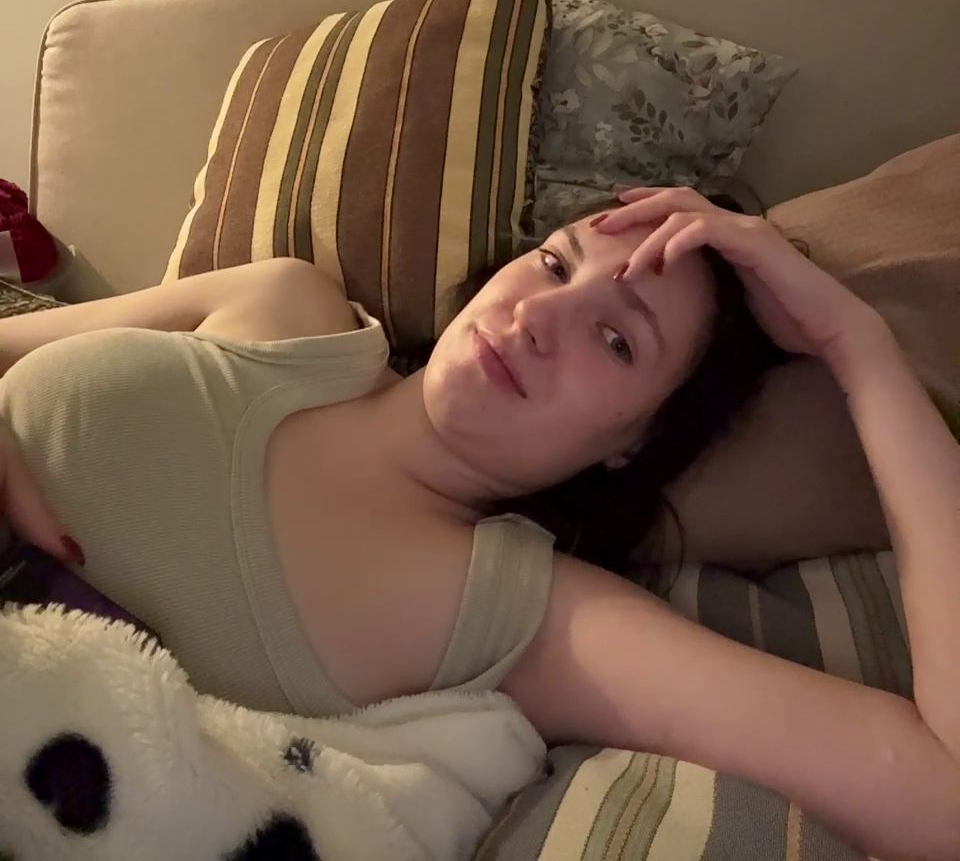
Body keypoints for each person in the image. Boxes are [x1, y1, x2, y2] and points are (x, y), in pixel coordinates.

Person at [0, 185, 958, 859]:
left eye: (617, 339)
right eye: (555, 262)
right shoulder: (283, 308)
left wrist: (857, 346)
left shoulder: (538, 621)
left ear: (635, 444)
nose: (540, 316)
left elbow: (944, 794)